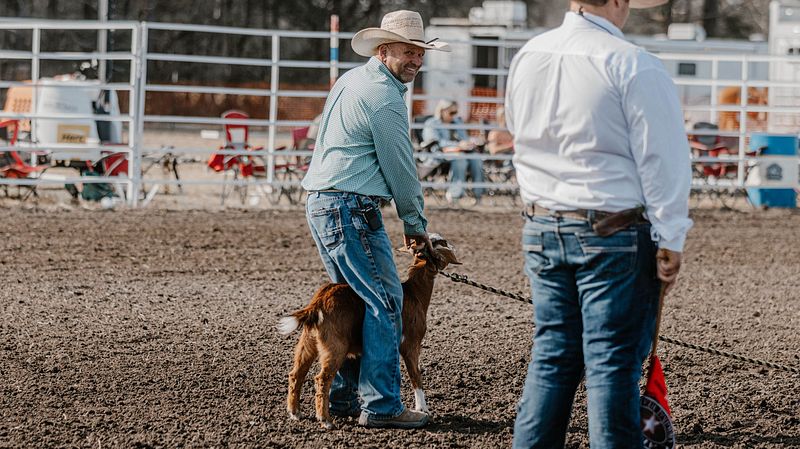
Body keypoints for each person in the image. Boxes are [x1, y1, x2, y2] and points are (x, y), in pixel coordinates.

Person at [504, 1, 693, 447]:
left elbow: (517, 133)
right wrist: (671, 236)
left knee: (553, 355)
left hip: (543, 221)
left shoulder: (531, 53)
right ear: (618, 2)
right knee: (612, 363)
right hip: (612, 229)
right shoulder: (633, 63)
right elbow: (664, 161)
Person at [300, 10, 450, 429]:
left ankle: (344, 398)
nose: (416, 60)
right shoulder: (384, 97)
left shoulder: (351, 80)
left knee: (353, 302)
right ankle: (382, 405)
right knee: (386, 302)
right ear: (384, 51)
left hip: (325, 202)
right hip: (351, 207)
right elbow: (400, 166)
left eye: (419, 53)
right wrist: (415, 223)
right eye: (408, 52)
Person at [422, 100, 485, 205]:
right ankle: (455, 195)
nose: (454, 115)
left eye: (456, 112)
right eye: (451, 112)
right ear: (442, 111)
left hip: (461, 152)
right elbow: (435, 142)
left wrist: (469, 143)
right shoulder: (431, 123)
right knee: (460, 159)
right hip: (440, 155)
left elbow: (464, 138)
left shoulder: (457, 122)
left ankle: (478, 194)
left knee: (476, 158)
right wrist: (458, 145)